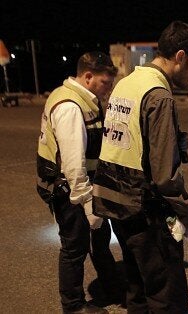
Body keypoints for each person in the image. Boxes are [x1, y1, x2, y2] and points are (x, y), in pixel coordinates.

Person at [91, 21, 188, 313]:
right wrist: (186, 214)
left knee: (138, 288)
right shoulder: (159, 95)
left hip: (114, 202)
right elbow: (164, 173)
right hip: (144, 209)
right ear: (180, 57)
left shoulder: (127, 82)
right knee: (167, 296)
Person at [36, 51, 120, 314]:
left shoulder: (78, 98)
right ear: (87, 76)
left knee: (100, 239)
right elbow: (73, 165)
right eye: (105, 83)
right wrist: (87, 205)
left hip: (83, 187)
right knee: (74, 248)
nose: (108, 89)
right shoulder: (71, 107)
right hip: (71, 190)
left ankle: (112, 286)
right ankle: (72, 306)